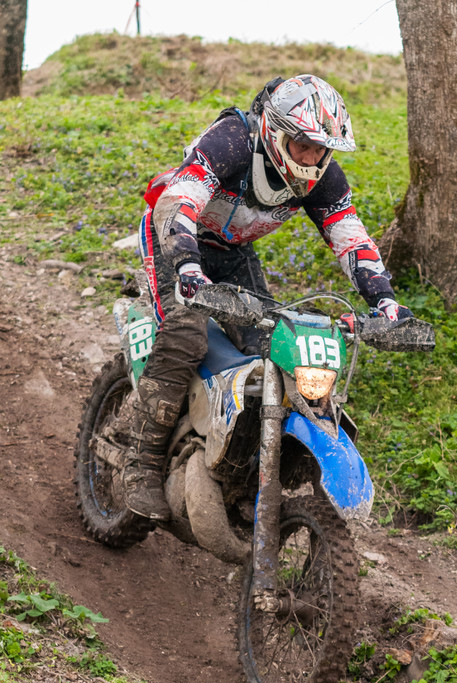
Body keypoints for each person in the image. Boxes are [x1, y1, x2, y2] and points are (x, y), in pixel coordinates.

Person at [122, 74, 414, 521]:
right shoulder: (233, 141)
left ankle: (241, 468)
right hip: (175, 239)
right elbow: (178, 200)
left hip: (233, 252)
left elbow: (352, 240)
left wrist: (386, 303)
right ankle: (140, 463)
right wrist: (187, 266)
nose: (312, 159)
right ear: (276, 132)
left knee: (270, 346)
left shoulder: (323, 178)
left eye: (322, 149)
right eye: (304, 145)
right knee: (185, 333)